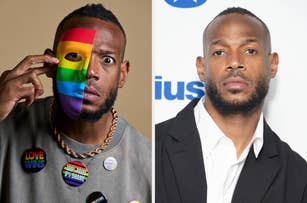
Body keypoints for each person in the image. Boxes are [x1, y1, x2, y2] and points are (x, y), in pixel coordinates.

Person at [0, 4, 151, 203]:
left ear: (122, 74)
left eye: (107, 59)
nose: (89, 72)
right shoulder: (6, 126)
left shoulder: (149, 161)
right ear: (51, 63)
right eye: (73, 56)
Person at [156, 7, 307, 203]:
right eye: (219, 52)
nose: (235, 62)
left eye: (250, 51)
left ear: (272, 64)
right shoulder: (153, 147)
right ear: (202, 68)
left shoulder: (298, 178)